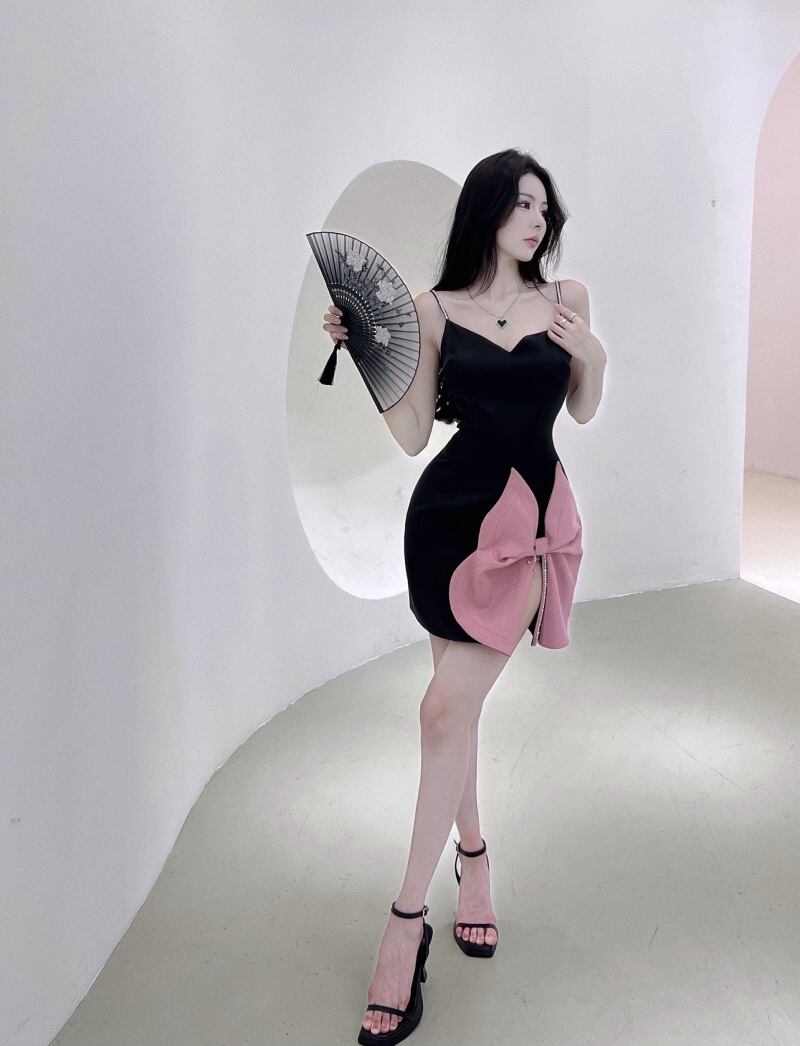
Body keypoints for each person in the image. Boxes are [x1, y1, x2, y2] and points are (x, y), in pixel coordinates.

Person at [321, 147, 606, 1044]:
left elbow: (583, 409)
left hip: (523, 530)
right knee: (458, 713)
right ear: (486, 210)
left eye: (544, 207)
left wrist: (593, 354)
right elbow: (413, 435)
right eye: (521, 203)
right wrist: (369, 353)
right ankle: (472, 860)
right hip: (445, 526)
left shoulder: (568, 301)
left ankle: (405, 924)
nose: (537, 219)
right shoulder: (432, 309)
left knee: (441, 711)